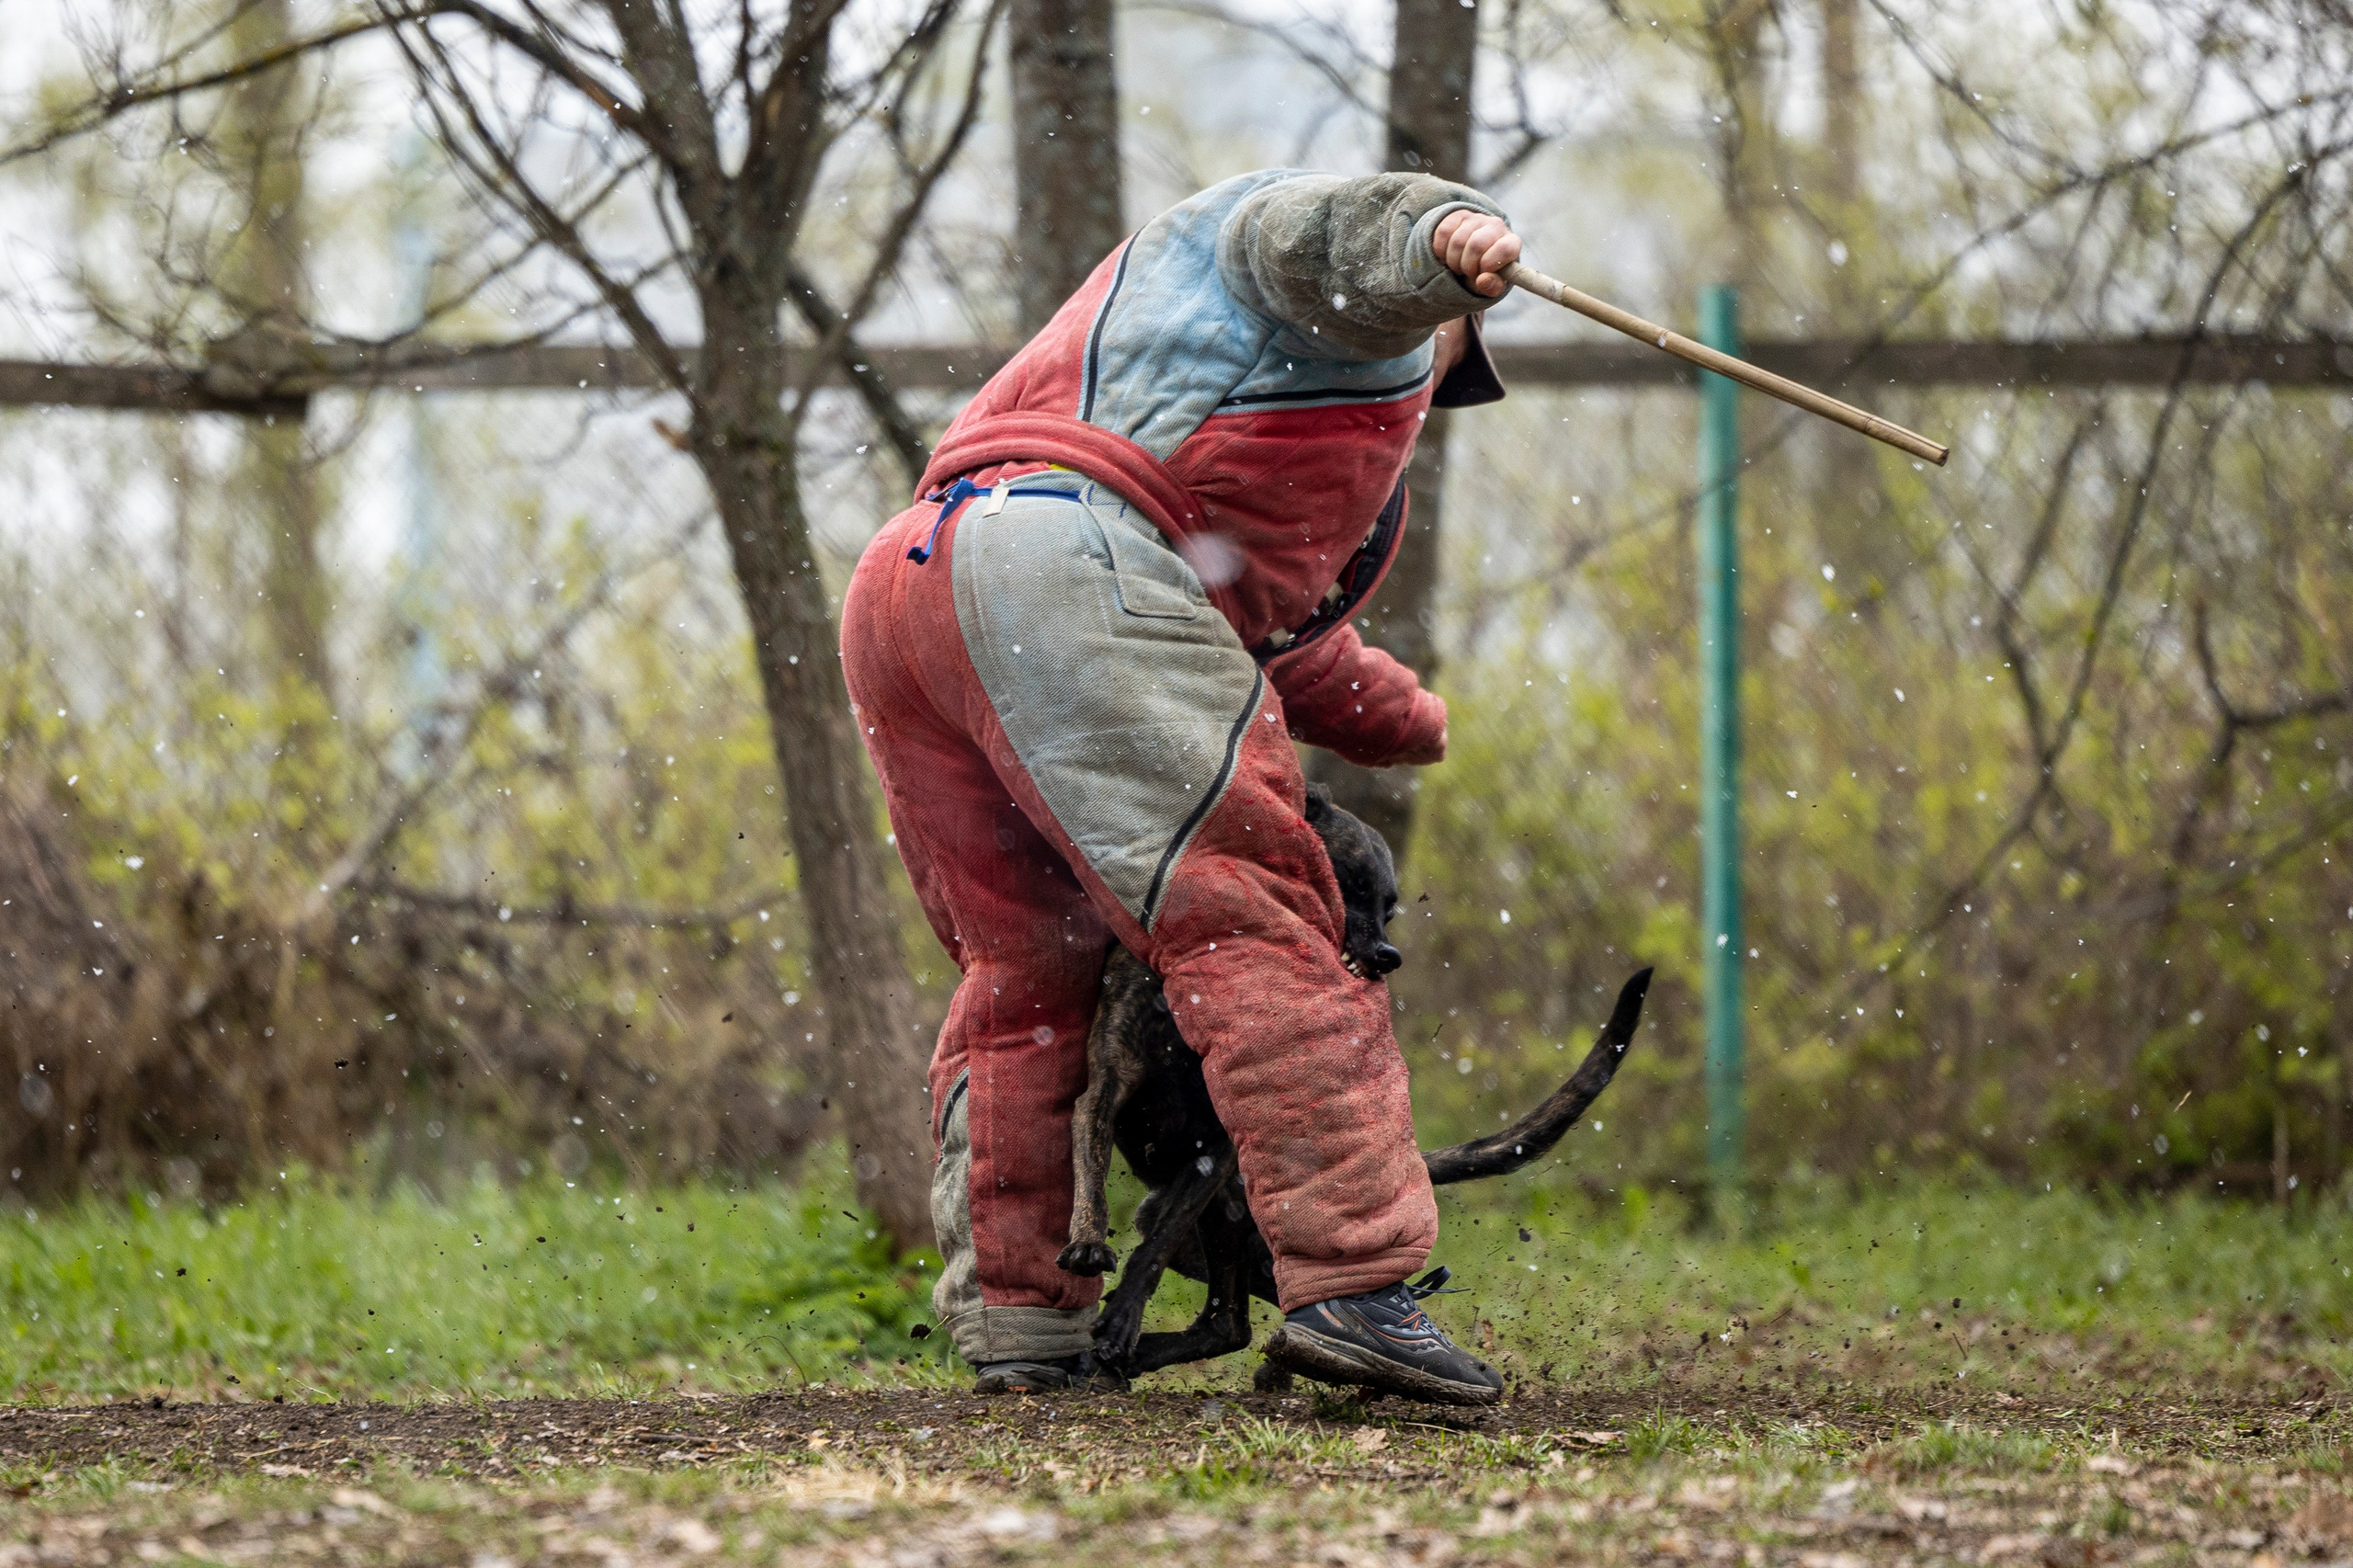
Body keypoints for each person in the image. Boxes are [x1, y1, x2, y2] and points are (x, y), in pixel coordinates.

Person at [839, 169, 1523, 1403]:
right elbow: (1327, 235)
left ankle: (1021, 1317)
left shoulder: (1186, 379)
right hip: (1068, 564)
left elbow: (1269, 633)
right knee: (1258, 910)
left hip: (920, 576)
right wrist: (1442, 233)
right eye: (1452, 334)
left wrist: (1410, 717)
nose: (1448, 354)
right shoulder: (1267, 255)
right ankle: (1354, 1281)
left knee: (1026, 972)